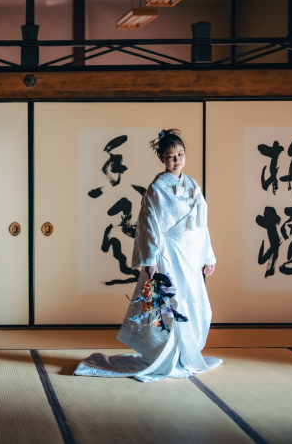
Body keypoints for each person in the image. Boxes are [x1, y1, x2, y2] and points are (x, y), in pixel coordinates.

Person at [74, 129, 222, 382]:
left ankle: (186, 355)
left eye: (180, 154)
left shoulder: (193, 185)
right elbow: (149, 224)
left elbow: (202, 225)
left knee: (196, 305)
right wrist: (150, 258)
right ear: (162, 159)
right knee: (171, 305)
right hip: (169, 253)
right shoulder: (156, 188)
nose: (177, 160)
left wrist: (208, 256)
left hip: (191, 252)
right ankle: (167, 355)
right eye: (171, 156)